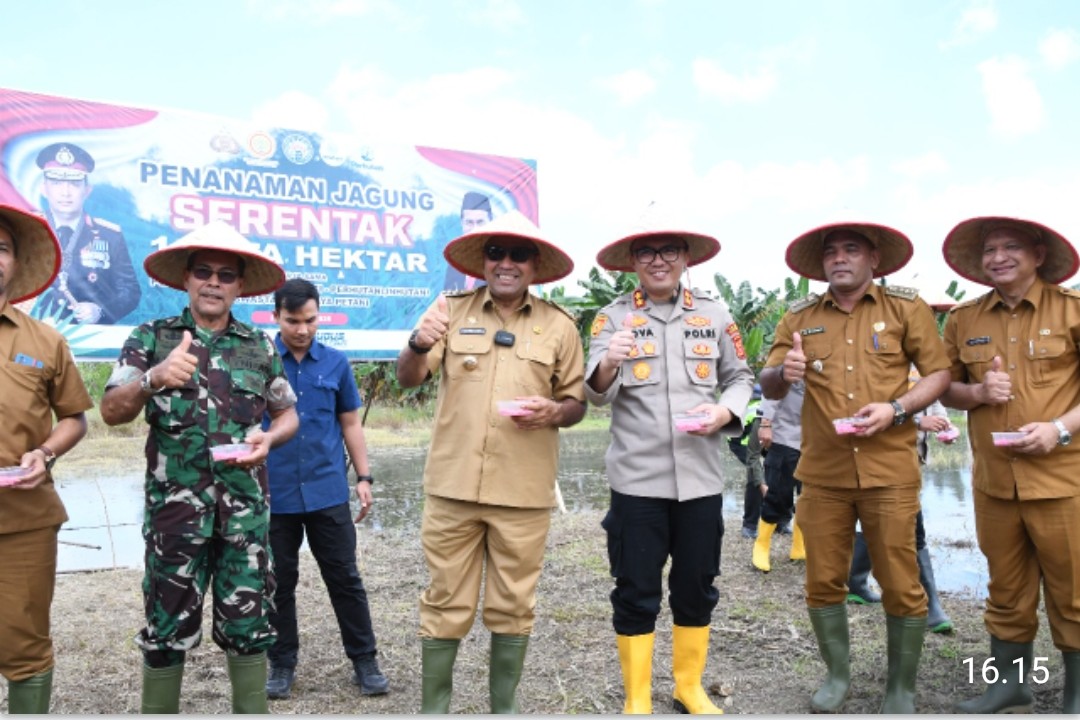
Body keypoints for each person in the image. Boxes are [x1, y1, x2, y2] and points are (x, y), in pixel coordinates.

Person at [99, 221, 299, 714]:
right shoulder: (150, 338)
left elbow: (287, 413)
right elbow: (110, 411)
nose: (214, 282)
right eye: (204, 272)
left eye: (226, 275)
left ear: (239, 285)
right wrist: (152, 378)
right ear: (186, 279)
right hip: (175, 520)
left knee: (250, 634)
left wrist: (268, 438)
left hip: (245, 520)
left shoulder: (259, 345)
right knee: (165, 634)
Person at [396, 210, 586, 714]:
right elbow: (409, 377)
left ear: (535, 264)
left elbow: (576, 404)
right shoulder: (450, 311)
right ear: (483, 262)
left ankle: (503, 710)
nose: (506, 263)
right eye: (496, 252)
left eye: (518, 253)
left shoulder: (559, 327)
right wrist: (417, 341)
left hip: (523, 492)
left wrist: (555, 410)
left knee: (513, 606)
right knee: (444, 603)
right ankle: (435, 710)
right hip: (453, 486)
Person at [760, 220, 951, 713]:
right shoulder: (800, 315)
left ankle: (900, 689)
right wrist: (785, 373)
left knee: (901, 583)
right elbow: (770, 380)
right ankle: (837, 677)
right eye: (831, 252)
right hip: (823, 474)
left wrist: (899, 410)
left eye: (851, 249)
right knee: (823, 579)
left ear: (874, 260)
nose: (839, 258)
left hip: (890, 470)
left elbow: (938, 373)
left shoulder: (906, 308)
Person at [586, 223, 754, 714]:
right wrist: (611, 362)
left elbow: (740, 377)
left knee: (696, 586)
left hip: (700, 480)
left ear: (686, 259)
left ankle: (688, 687)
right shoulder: (612, 317)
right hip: (637, 481)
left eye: (669, 251)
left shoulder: (715, 314)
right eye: (646, 252)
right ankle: (638, 698)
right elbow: (594, 392)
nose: (658, 260)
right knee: (636, 589)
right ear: (633, 262)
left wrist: (726, 412)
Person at [940, 216, 1080, 714]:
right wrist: (976, 392)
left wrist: (1058, 429)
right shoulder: (964, 318)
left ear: (1038, 255)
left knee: (1075, 590)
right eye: (990, 250)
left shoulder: (1072, 312)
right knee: (1006, 587)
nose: (998, 257)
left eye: (1011, 247)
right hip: (995, 483)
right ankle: (1009, 685)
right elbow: (944, 385)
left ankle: (1076, 695)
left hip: (1065, 481)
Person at [262, 278, 389, 700]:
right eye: (292, 320)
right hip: (274, 493)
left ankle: (365, 661)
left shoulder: (336, 363)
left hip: (326, 491)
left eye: (310, 320)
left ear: (320, 316)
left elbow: (351, 424)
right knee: (279, 582)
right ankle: (281, 665)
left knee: (345, 579)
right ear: (276, 316)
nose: (302, 329)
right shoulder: (261, 362)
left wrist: (364, 478)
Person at [0, 205, 93, 714]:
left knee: (26, 644)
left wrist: (44, 451)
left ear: (14, 262)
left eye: (1, 247)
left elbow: (76, 418)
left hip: (24, 519)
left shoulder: (45, 340)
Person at [35, 142, 141, 324]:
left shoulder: (110, 235)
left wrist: (101, 310)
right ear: (44, 189)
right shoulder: (28, 229)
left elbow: (130, 291)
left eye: (74, 184)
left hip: (88, 337)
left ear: (87, 190)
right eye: (56, 183)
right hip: (33, 332)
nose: (65, 192)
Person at [751, 380, 806, 572]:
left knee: (810, 497)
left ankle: (799, 546)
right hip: (785, 434)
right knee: (778, 495)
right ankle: (762, 544)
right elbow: (770, 383)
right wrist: (765, 422)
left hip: (816, 436)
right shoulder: (788, 351)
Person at [443, 191, 493, 291]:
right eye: (469, 222)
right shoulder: (455, 263)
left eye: (480, 222)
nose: (475, 229)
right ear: (462, 224)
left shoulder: (503, 259)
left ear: (491, 222)